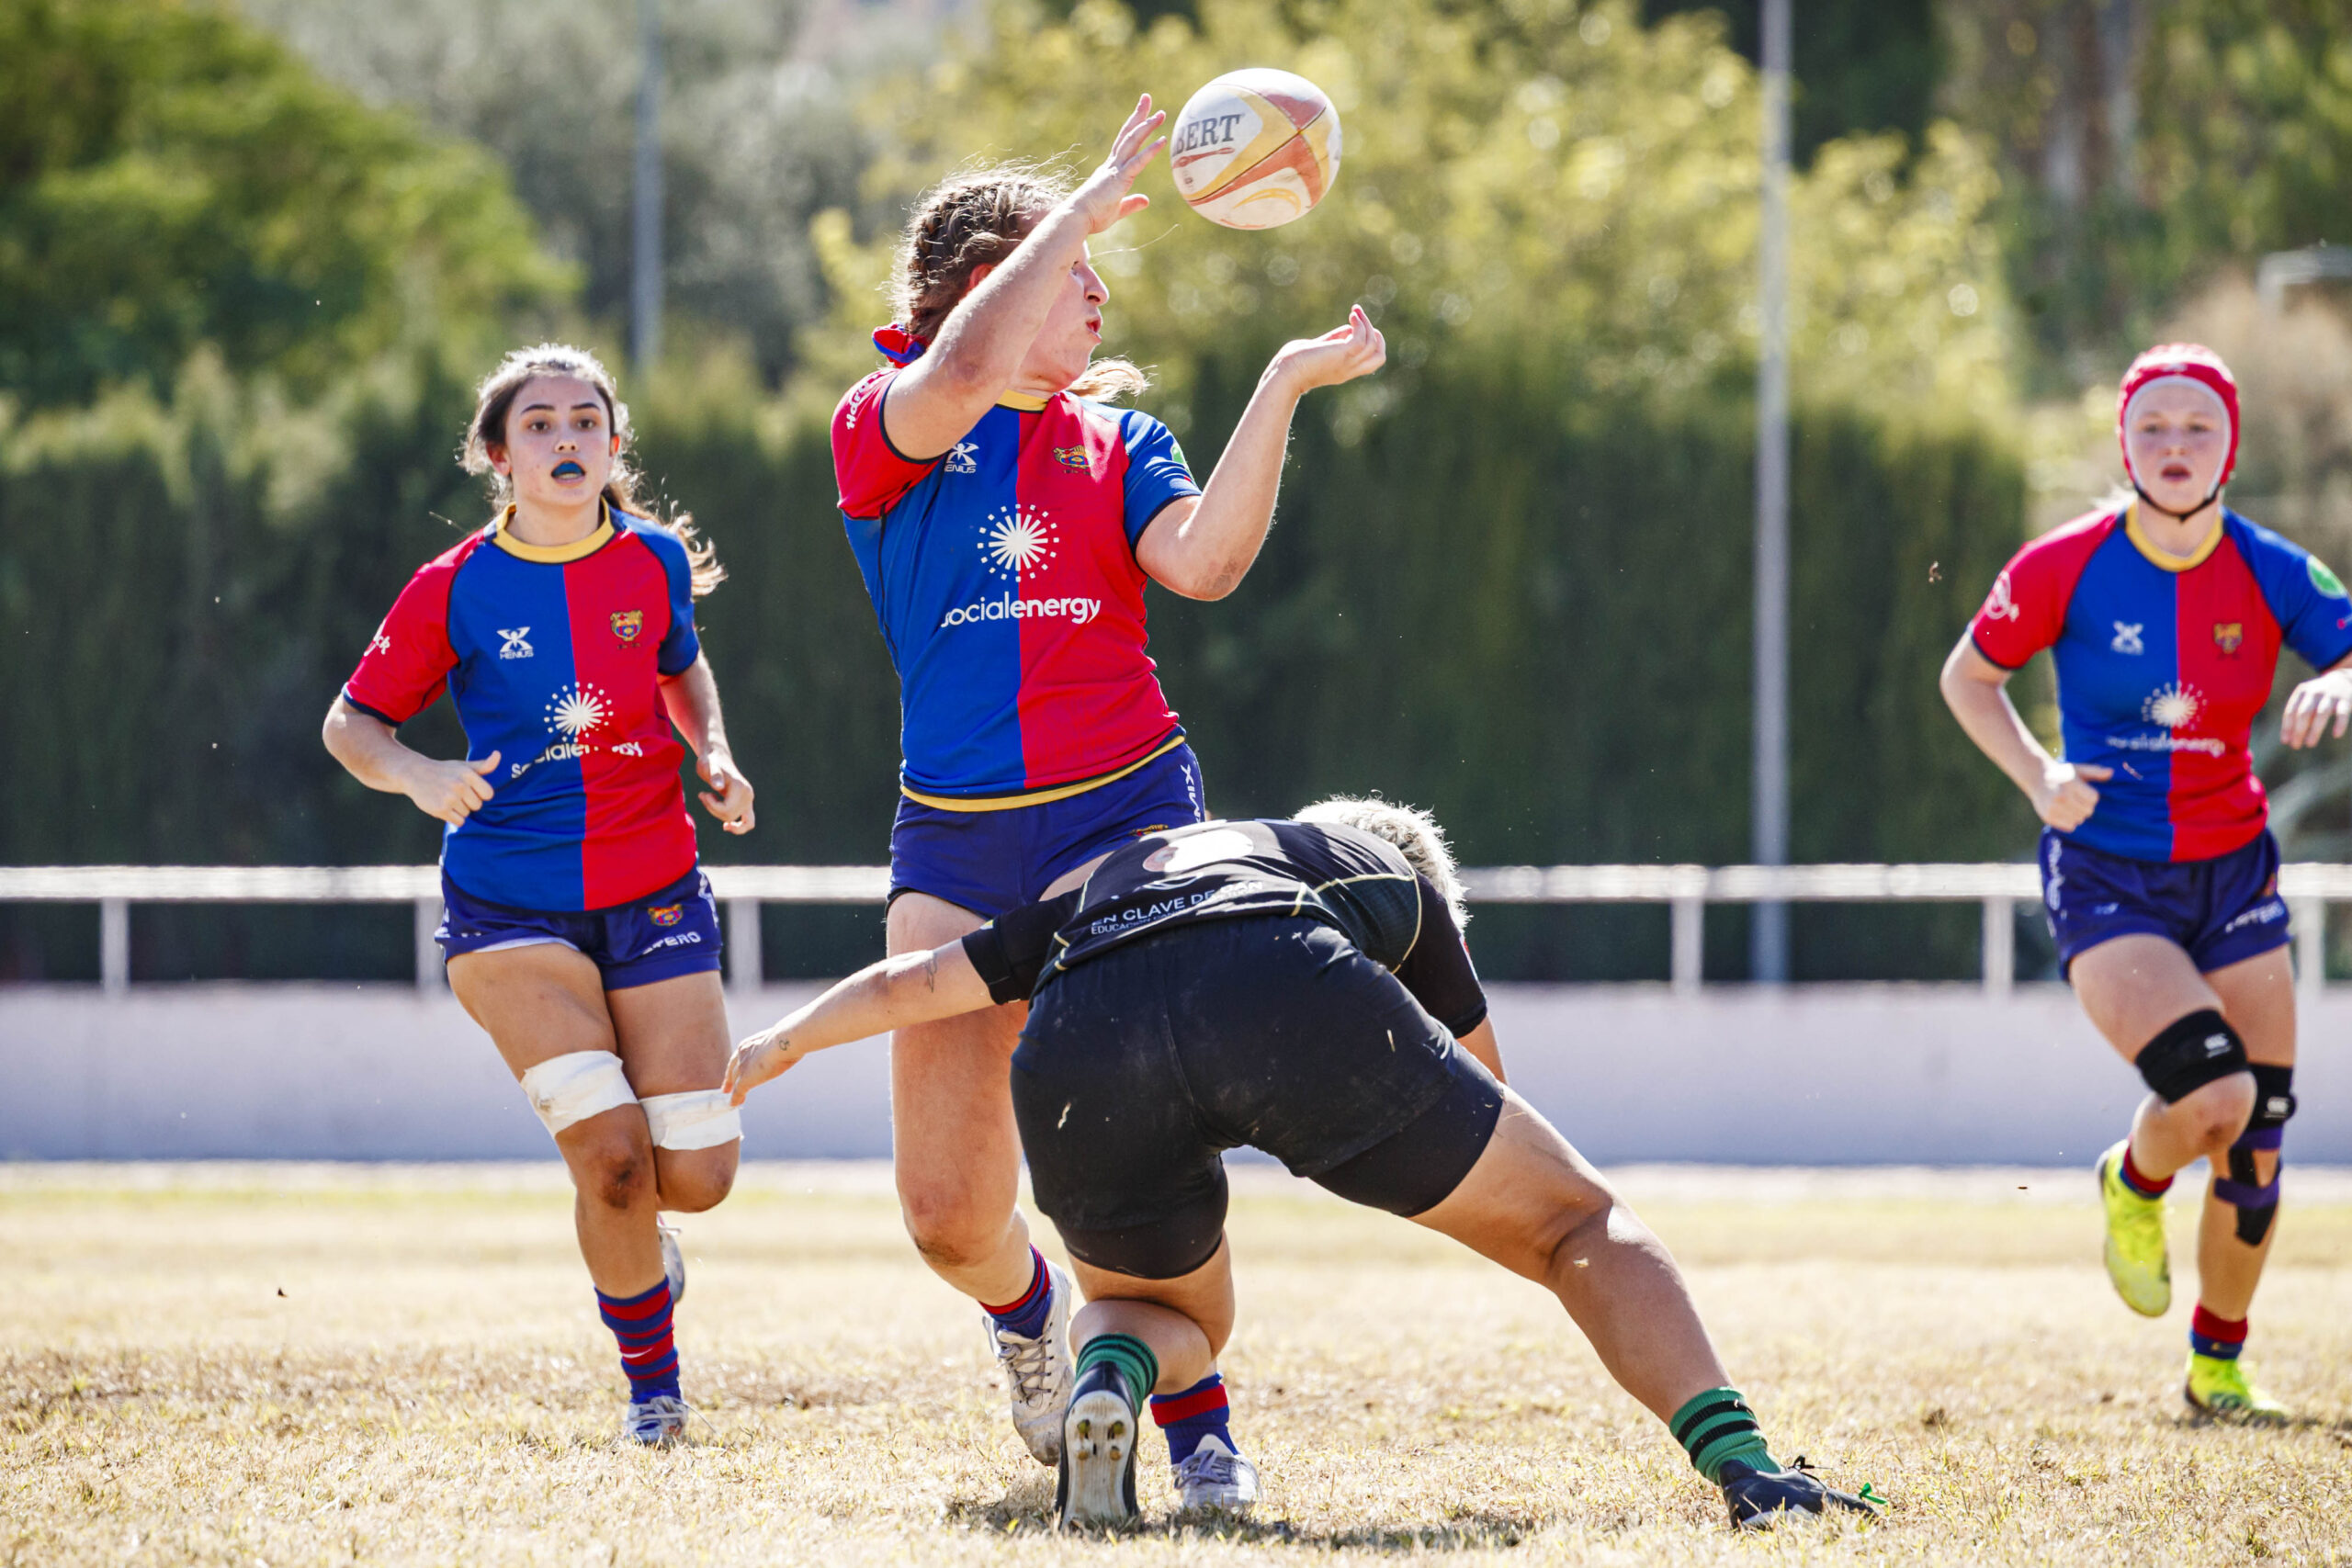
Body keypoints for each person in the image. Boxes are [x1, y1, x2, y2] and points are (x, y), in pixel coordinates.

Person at [726, 801, 1880, 1529]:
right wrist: (1527, 1211)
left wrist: (780, 1041)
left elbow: (920, 983)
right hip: (1278, 982)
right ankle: (1744, 1467)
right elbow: (1488, 1088)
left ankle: (1109, 1377)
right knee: (1577, 1226)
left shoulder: (1120, 869)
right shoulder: (1384, 873)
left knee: (1148, 1312)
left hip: (1081, 1035)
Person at [829, 93, 1385, 1465]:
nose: (1098, 288)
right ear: (987, 287)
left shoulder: (1121, 441)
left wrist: (1281, 385)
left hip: (1127, 820)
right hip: (954, 850)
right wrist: (1069, 205)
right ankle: (1028, 1318)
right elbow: (955, 380)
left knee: (1131, 1163)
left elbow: (1204, 564)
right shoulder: (886, 422)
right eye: (1075, 268)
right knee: (948, 1213)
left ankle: (1197, 1425)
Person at [322, 344, 759, 1446]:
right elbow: (351, 725)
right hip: (506, 907)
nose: (565, 441)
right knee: (612, 1162)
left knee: (695, 1174)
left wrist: (711, 749)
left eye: (585, 422)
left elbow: (679, 665)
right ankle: (653, 1392)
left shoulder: (653, 560)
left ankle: (643, 1245)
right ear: (496, 455)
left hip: (655, 889)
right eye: (538, 425)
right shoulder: (453, 583)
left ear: (614, 445)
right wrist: (420, 775)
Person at [1941, 344, 2352, 1421]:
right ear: (2125, 443)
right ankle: (2132, 1178)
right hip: (2107, 877)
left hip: (2234, 873)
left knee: (2257, 1139)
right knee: (2212, 1096)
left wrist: (2340, 684)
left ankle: (2216, 1369)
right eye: (2154, 428)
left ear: (2229, 446)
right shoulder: (2061, 565)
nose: (2175, 447)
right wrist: (2037, 776)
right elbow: (1968, 677)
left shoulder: (2270, 568)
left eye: (2197, 428)